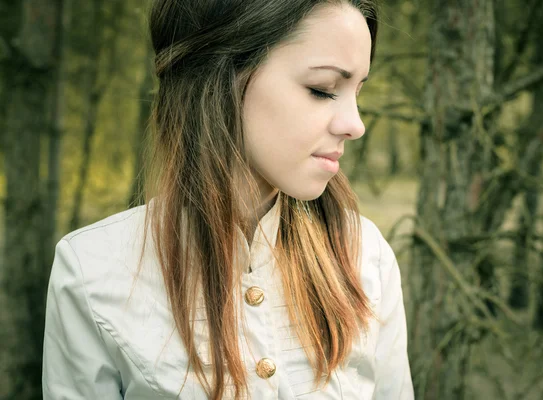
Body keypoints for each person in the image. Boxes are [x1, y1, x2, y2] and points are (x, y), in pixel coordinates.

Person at [42, 0, 414, 398]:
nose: (355, 125)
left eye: (358, 90)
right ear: (221, 76)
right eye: (322, 90)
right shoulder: (91, 269)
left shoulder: (364, 256)